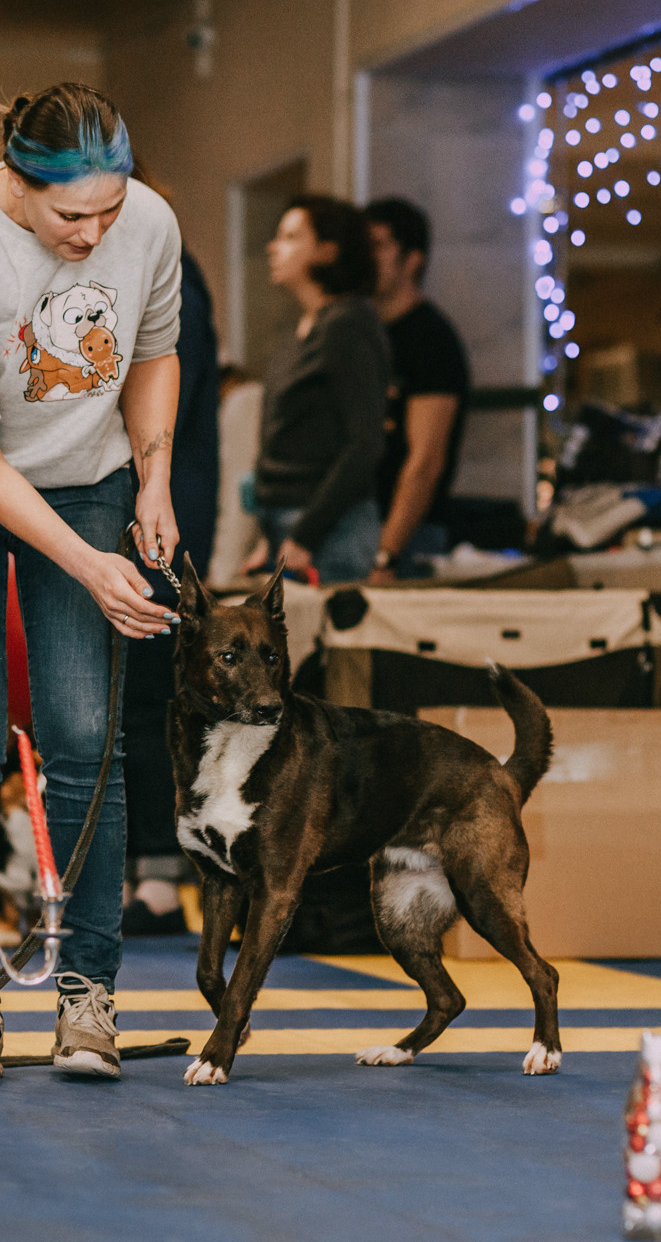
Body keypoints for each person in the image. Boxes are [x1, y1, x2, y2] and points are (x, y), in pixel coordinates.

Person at [0, 82, 181, 1087]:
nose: (97, 233)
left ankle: (87, 997)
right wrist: (90, 563)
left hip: (90, 475)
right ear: (16, 181)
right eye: (71, 216)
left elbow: (152, 349)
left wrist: (153, 479)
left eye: (111, 209)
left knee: (85, 734)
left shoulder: (147, 223)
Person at [122, 219, 222, 938]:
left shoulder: (171, 280)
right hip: (145, 511)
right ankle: (136, 867)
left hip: (162, 516)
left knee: (152, 699)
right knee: (128, 699)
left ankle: (158, 870)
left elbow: (162, 410)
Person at [246, 196, 390, 584]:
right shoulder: (303, 327)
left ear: (328, 250)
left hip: (330, 526)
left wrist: (306, 534)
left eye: (292, 237)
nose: (274, 247)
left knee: (328, 642)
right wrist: (268, 537)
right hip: (286, 519)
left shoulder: (348, 323)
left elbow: (365, 442)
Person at [364, 198, 471, 582]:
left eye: (377, 245)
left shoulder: (430, 339)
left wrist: (386, 555)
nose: (365, 256)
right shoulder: (367, 333)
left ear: (413, 259)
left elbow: (425, 460)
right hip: (364, 526)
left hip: (410, 537)